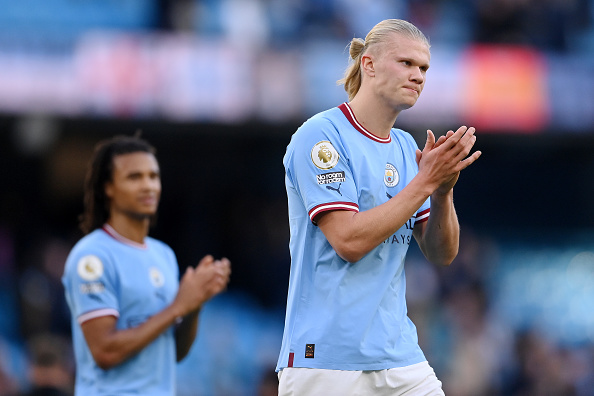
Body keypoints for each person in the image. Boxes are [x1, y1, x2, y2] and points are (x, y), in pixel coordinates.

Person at [276, 19, 481, 395]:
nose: (418, 76)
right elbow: (348, 241)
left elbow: (441, 253)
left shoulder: (405, 147)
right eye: (406, 63)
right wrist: (425, 181)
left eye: (424, 68)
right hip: (326, 359)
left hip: (399, 355)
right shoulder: (321, 136)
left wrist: (442, 192)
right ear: (368, 65)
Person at [62, 135, 231, 396]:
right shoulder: (92, 257)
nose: (148, 186)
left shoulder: (163, 255)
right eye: (134, 177)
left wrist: (194, 305)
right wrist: (178, 307)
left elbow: (173, 352)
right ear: (108, 187)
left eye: (153, 176)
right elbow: (105, 351)